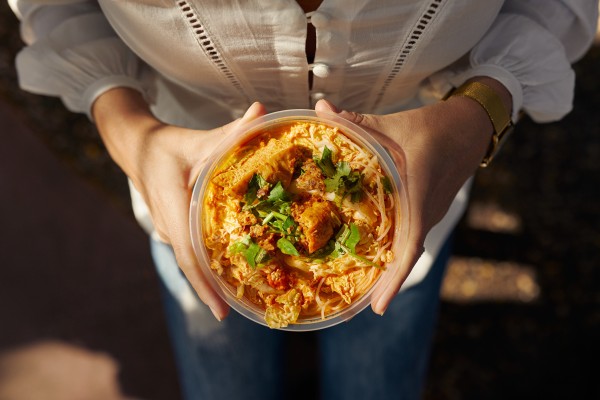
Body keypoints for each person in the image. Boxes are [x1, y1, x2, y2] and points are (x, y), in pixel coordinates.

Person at [9, 0, 598, 399]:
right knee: (224, 381)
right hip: (187, 202)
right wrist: (131, 131)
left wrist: (481, 111)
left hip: (417, 207)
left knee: (377, 381)